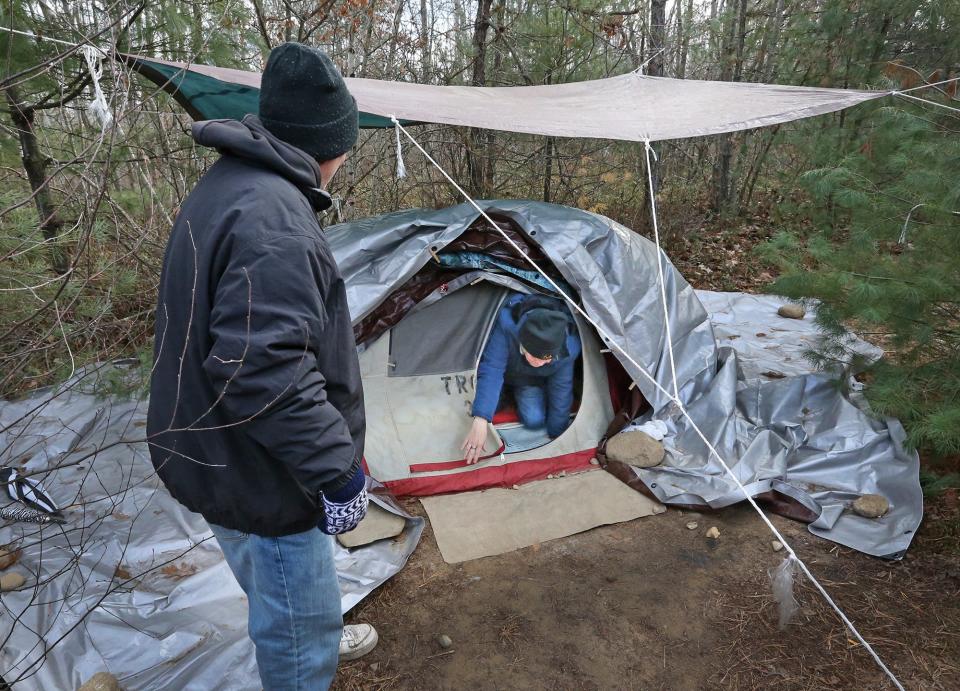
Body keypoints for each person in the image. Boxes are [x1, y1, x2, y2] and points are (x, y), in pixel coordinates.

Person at [146, 43, 376, 690]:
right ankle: (307, 642)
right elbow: (263, 372)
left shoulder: (231, 185)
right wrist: (338, 472)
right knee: (296, 631)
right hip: (262, 476)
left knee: (281, 592)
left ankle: (311, 623)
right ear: (327, 147)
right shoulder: (275, 224)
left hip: (219, 449)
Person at [462, 293, 582, 464]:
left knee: (534, 419)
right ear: (523, 343)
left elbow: (561, 389)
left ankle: (514, 395)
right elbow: (493, 369)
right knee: (481, 408)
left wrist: (559, 436)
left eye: (547, 359)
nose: (541, 363)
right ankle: (502, 395)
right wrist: (481, 419)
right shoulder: (506, 327)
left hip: (528, 381)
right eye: (536, 356)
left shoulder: (568, 348)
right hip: (503, 373)